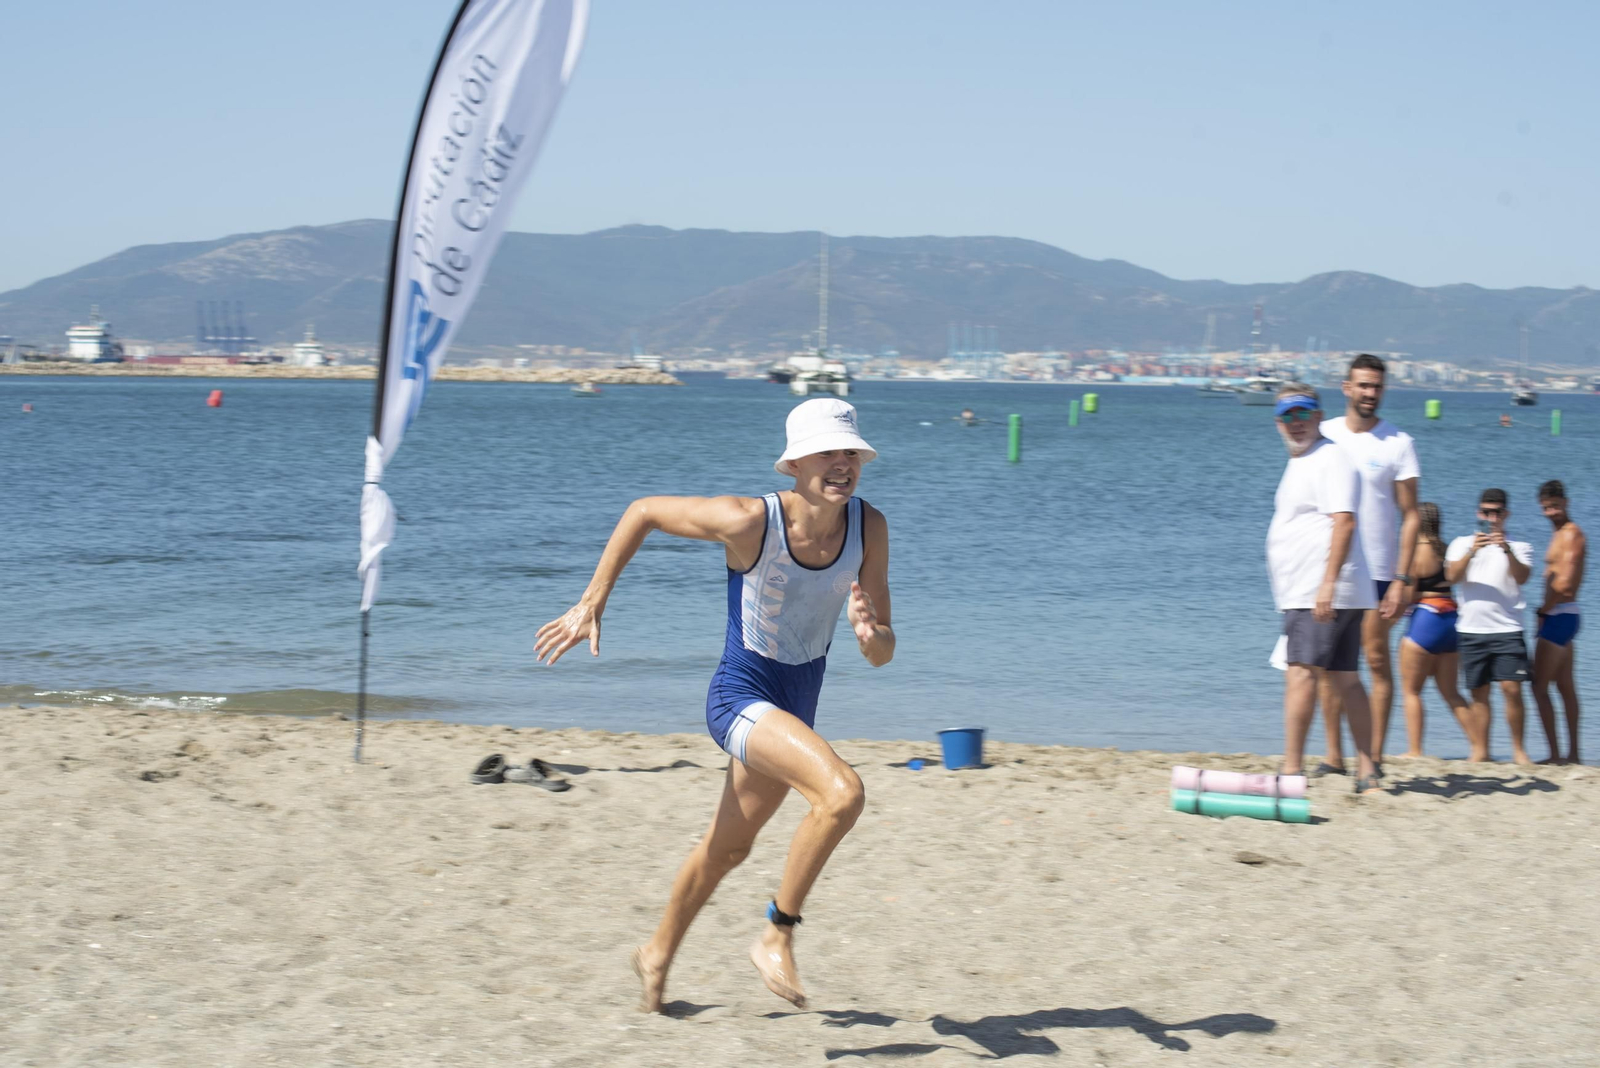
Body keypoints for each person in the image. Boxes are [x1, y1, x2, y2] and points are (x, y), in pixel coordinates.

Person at [533, 397, 894, 1012]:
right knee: (842, 793)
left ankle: (655, 952)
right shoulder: (749, 520)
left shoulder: (869, 527)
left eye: (851, 452)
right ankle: (777, 932)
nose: (843, 464)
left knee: (728, 848)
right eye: (828, 453)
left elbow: (883, 651)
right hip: (741, 698)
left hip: (793, 710)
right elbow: (642, 511)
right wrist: (592, 601)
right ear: (797, 463)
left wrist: (870, 634)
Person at [1265, 384, 1382, 792]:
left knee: (1301, 674)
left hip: (1318, 588)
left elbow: (1344, 521)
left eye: (1303, 414)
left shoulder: (1330, 457)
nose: (1295, 423)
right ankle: (1367, 772)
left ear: (1318, 415)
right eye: (1287, 416)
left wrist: (1326, 584)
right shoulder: (1306, 459)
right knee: (1346, 678)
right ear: (1278, 422)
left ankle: (1292, 770)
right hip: (1324, 588)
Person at [1319, 354, 1421, 773]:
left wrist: (1402, 578)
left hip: (1380, 572)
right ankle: (1333, 757)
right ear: (1346, 387)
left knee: (1375, 660)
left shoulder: (1398, 442)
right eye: (1362, 385)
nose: (1369, 393)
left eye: (1376, 386)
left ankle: (1373, 757)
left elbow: (1411, 514)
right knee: (1328, 664)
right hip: (1333, 568)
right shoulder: (1323, 434)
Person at [1445, 488, 1534, 764]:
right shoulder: (1461, 544)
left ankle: (1518, 751)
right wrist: (1473, 550)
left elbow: (1522, 577)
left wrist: (1505, 548)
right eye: (1486, 512)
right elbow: (1452, 576)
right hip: (1472, 629)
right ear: (1478, 513)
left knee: (1512, 689)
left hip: (1507, 628)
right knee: (1479, 693)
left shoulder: (1520, 547)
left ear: (1506, 515)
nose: (1491, 518)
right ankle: (1481, 751)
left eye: (1496, 512)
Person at [1396, 503, 1486, 760]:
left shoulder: (1414, 552)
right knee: (1451, 692)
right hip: (1451, 622)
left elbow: (1408, 594)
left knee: (1411, 690)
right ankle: (1479, 748)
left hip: (1426, 619)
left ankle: (1415, 750)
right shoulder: (1448, 549)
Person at [1532, 480, 1585, 764]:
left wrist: (1542, 612)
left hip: (1559, 614)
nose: (1550, 512)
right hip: (1564, 615)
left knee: (1538, 687)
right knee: (1565, 687)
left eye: (1554, 506)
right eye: (1545, 508)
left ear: (1565, 502)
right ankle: (1573, 754)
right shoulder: (1560, 533)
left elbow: (1564, 584)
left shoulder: (1572, 534)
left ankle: (1555, 755)